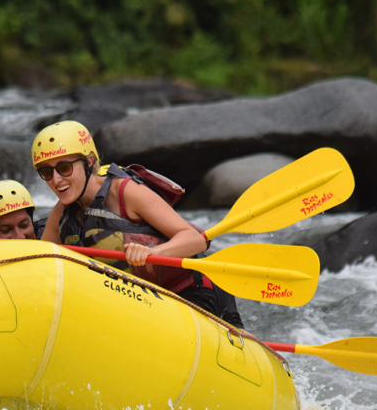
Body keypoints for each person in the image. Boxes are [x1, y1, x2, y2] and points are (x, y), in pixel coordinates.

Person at [34, 120, 243, 327]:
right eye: (46, 172)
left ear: (89, 162)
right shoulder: (62, 212)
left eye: (64, 167)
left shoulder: (125, 191)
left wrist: (152, 253)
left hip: (187, 293)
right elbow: (42, 265)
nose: (56, 179)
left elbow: (195, 239)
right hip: (139, 306)